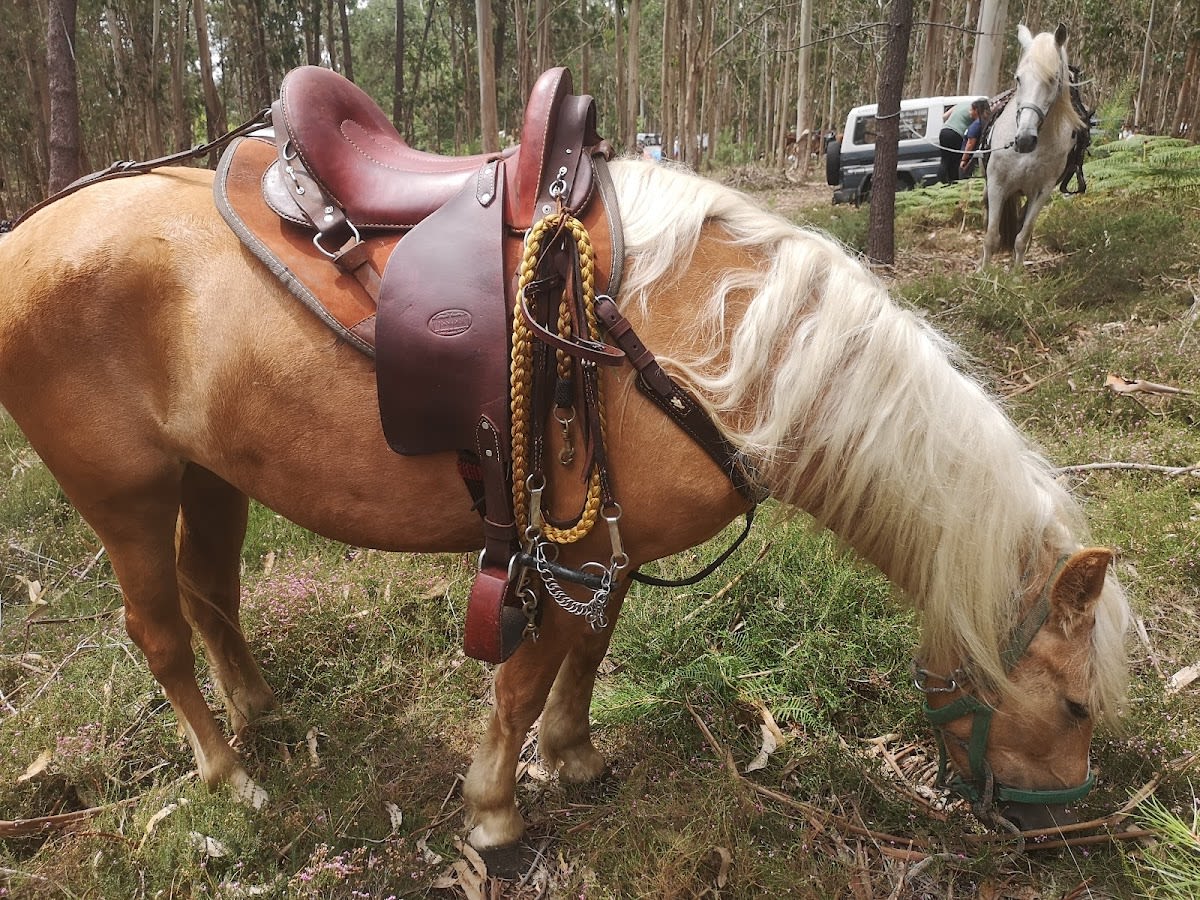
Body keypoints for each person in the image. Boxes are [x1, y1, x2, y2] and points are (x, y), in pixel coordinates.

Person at [938, 98, 987, 183]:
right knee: (955, 162)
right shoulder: (976, 110)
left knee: (945, 160)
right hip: (956, 134)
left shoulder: (961, 104)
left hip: (944, 131)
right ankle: (954, 183)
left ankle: (941, 182)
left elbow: (944, 116)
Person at [958, 98, 991, 178]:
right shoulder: (986, 122)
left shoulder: (976, 125)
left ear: (976, 110)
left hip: (971, 161)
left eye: (971, 110)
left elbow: (970, 144)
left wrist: (964, 160)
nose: (969, 112)